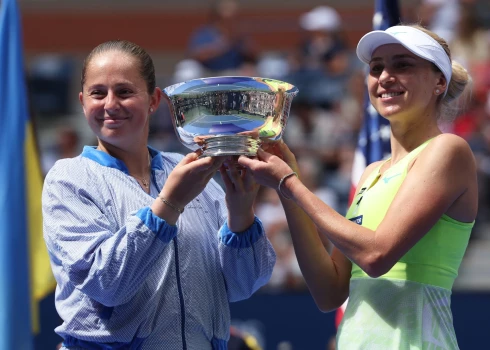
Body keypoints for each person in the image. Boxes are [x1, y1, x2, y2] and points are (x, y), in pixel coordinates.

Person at [238, 24, 477, 348]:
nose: (385, 77)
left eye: (402, 65)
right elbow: (329, 291)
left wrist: (290, 183)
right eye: (376, 68)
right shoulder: (370, 174)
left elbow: (377, 255)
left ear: (439, 82)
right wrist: (286, 187)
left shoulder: (448, 149)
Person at [42, 39, 276, 350]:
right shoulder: (70, 178)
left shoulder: (188, 169)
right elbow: (107, 284)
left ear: (154, 100)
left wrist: (241, 212)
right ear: (83, 101)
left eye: (124, 91)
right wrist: (170, 204)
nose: (110, 104)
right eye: (99, 93)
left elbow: (243, 284)